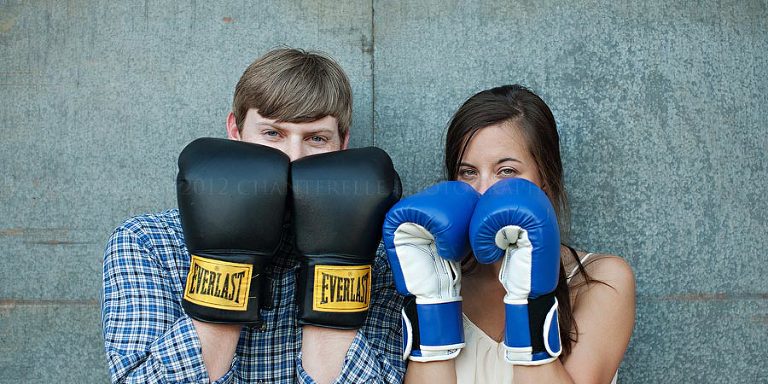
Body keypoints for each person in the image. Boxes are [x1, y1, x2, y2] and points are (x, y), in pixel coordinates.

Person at [101, 48, 405, 384]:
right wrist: (227, 257)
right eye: (272, 133)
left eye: (316, 139)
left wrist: (336, 264)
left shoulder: (379, 260)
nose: (292, 156)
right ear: (235, 130)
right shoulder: (150, 243)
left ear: (342, 145)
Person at [383, 84, 635, 383]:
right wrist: (433, 298)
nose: (485, 190)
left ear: (544, 180)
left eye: (507, 172)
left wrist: (527, 297)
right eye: (468, 173)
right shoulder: (432, 275)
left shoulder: (600, 281)